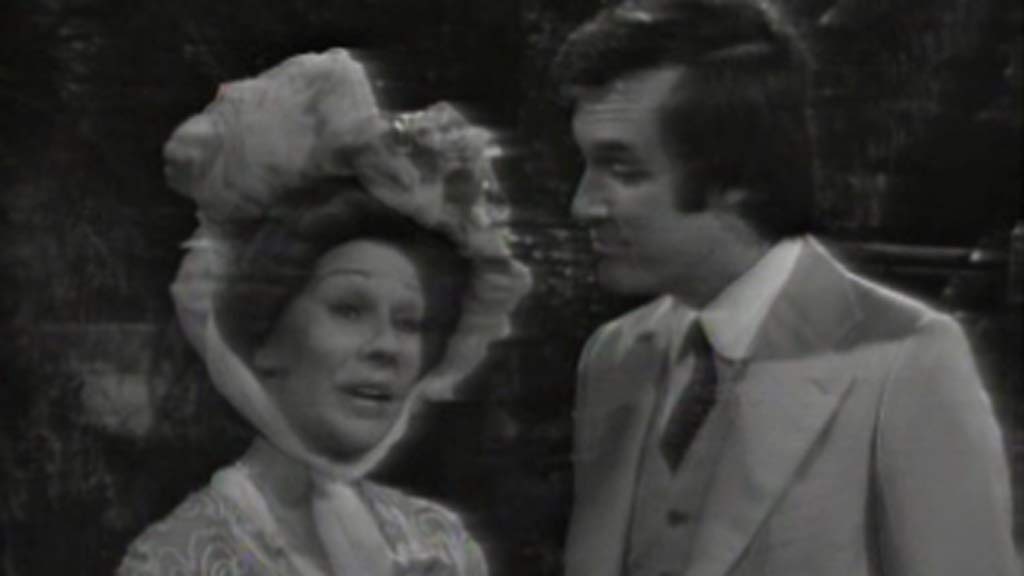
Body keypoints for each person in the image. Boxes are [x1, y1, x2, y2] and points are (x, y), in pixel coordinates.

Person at [554, 1, 1019, 575]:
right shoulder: (614, 356)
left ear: (735, 178)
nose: (583, 205)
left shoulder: (906, 361)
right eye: (586, 165)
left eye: (623, 171)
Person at [117, 49, 531, 575]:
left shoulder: (440, 543)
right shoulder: (179, 561)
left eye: (410, 322)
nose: (387, 348)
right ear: (263, 339)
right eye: (349, 310)